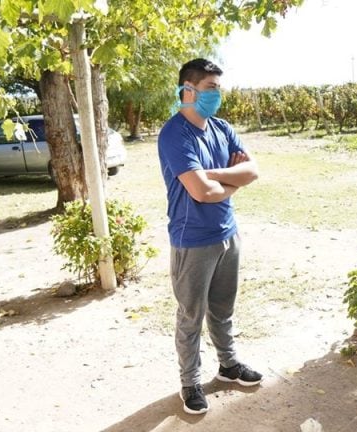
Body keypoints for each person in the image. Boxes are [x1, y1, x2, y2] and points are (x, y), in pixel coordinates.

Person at [157, 58, 262, 415]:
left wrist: (216, 176)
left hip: (227, 234)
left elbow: (252, 170)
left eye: (218, 88)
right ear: (188, 90)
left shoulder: (221, 128)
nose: (216, 95)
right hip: (192, 239)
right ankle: (190, 383)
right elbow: (201, 192)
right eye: (210, 88)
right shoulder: (174, 134)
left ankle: (229, 366)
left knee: (223, 309)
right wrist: (231, 180)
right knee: (191, 315)